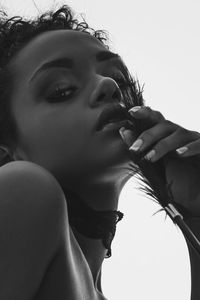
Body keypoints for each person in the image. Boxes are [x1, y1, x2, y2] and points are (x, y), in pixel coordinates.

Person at [0, 4, 199, 300]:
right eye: (62, 90)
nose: (108, 86)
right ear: (7, 151)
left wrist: (196, 212)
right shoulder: (24, 184)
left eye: (120, 79)